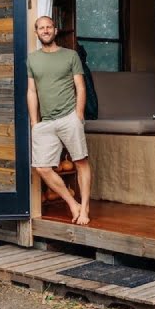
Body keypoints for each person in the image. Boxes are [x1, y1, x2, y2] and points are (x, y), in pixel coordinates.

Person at [26, 16, 91, 225]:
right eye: (41, 28)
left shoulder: (70, 56)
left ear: (55, 30)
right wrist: (34, 122)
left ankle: (85, 208)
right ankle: (73, 203)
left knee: (81, 162)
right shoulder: (32, 59)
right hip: (45, 123)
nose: (45, 30)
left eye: (49, 27)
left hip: (69, 117)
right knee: (42, 168)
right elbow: (31, 91)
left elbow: (80, 86)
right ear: (36, 33)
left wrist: (78, 115)